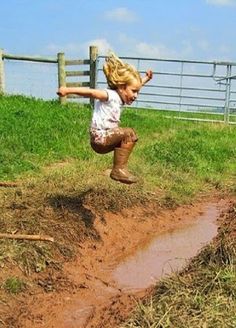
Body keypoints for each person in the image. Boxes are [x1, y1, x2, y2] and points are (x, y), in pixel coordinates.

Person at [57, 53, 153, 184]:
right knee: (129, 133)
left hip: (106, 140)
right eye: (134, 91)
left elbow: (134, 85)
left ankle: (119, 169)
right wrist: (67, 90)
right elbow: (91, 92)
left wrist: (146, 79)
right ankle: (118, 170)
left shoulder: (120, 95)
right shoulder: (109, 95)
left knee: (130, 136)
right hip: (100, 138)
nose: (136, 96)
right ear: (121, 87)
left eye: (138, 92)